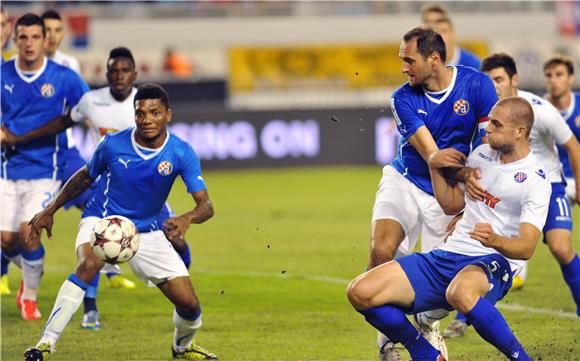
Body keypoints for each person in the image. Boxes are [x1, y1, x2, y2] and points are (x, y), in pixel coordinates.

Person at [3, 46, 193, 330]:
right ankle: (90, 308)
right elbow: (63, 121)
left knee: (176, 241)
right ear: (106, 73)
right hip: (106, 187)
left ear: (134, 74)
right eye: (113, 70)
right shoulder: (92, 101)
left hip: (145, 193)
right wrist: (22, 136)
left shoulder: (145, 106)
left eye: (124, 70)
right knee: (98, 248)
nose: (118, 76)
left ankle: (174, 280)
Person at [23, 83, 217, 361]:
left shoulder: (181, 152)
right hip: (103, 220)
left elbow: (206, 205)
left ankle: (182, 348)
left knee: (190, 305)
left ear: (168, 115)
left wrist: (187, 219)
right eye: (140, 113)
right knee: (89, 263)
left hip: (147, 231)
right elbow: (85, 176)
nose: (147, 119)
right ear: (134, 115)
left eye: (154, 113)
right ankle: (44, 343)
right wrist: (51, 209)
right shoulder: (113, 144)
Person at [348, 96, 551, 361]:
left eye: (496, 124)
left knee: (460, 292)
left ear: (520, 131)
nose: (487, 128)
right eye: (489, 121)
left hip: (494, 261)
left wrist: (494, 240)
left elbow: (526, 248)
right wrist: (434, 166)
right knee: (360, 292)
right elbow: (450, 205)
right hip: (449, 254)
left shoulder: (535, 181)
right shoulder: (481, 155)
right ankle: (425, 353)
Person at [369, 26, 498, 360]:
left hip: (451, 190)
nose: (403, 68)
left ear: (434, 59)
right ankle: (387, 338)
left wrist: (466, 205)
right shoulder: (401, 97)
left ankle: (426, 327)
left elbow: (487, 150)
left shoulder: (478, 85)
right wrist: (464, 172)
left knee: (444, 287)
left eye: (409, 60)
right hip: (407, 178)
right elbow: (433, 156)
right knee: (381, 251)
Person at [444, 52, 580, 339]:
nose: (493, 86)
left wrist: (579, 188)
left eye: (499, 80)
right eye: (488, 80)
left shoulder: (540, 111)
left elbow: (573, 147)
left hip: (548, 183)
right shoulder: (488, 114)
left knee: (559, 247)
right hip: (505, 187)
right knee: (486, 242)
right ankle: (462, 315)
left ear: (513, 79)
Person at [0, 13, 89, 321]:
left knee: (29, 232)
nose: (29, 43)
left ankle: (30, 297)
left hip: (45, 170)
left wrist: (104, 135)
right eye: (22, 37)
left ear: (44, 40)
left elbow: (87, 108)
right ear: (15, 39)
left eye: (35, 37)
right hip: (6, 171)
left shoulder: (62, 77)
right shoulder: (2, 74)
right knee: (6, 240)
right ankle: (29, 269)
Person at [543, 55, 580, 202]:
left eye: (559, 75)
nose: (553, 80)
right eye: (549, 75)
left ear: (571, 78)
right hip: (551, 180)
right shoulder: (538, 108)